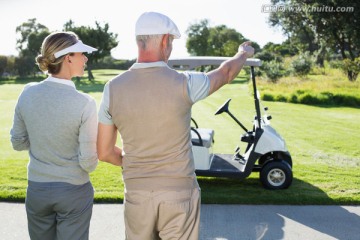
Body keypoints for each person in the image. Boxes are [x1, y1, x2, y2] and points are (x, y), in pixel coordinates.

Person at [97, 11, 254, 240]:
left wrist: (135, 163)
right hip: (179, 194)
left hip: (137, 194)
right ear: (163, 41)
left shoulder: (112, 89)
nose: (170, 48)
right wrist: (243, 53)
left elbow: (104, 152)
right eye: (170, 42)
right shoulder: (185, 83)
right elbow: (226, 72)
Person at [10, 31, 99, 240]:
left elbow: (17, 143)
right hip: (74, 192)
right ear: (68, 57)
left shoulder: (27, 93)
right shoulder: (85, 103)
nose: (85, 58)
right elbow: (88, 164)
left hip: (37, 191)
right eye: (81, 54)